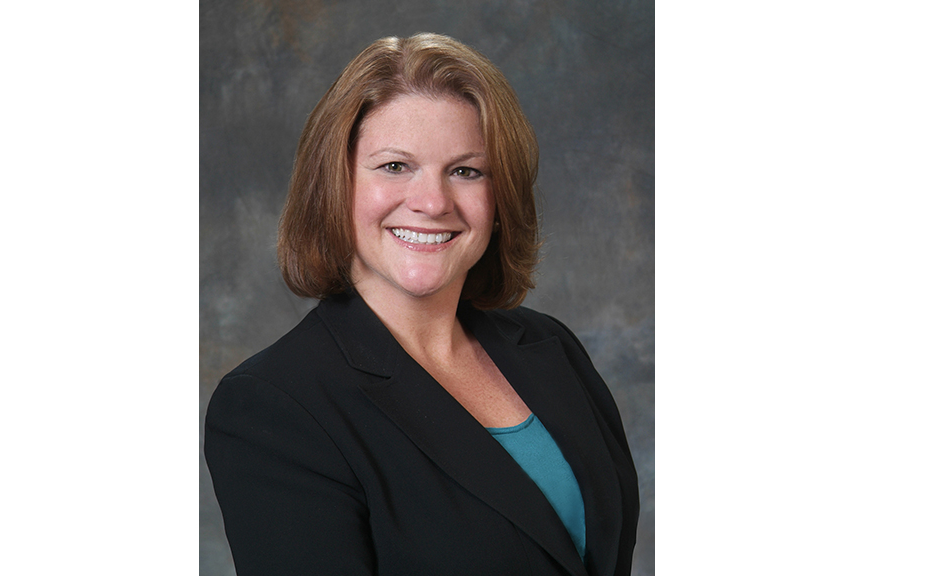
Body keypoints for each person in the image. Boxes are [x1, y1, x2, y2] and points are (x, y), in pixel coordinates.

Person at [204, 33, 639, 576]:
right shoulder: (274, 406)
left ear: (499, 198)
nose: (433, 202)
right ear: (334, 185)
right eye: (394, 166)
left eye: (466, 170)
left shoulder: (552, 347)